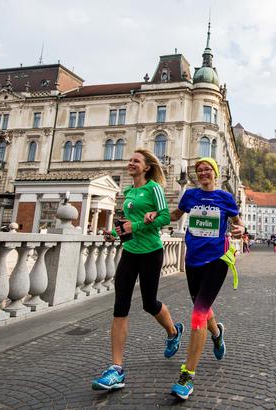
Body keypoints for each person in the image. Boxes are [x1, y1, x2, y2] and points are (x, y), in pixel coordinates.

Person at [91, 149, 183, 391]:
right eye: (130, 160)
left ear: (146, 167)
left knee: (149, 303)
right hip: (130, 251)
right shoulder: (129, 192)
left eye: (136, 161)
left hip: (151, 252)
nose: (130, 163)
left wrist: (142, 222)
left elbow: (165, 217)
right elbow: (128, 226)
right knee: (120, 307)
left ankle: (173, 331)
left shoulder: (154, 188)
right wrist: (114, 232)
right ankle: (116, 369)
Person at [161, 157, 244, 400]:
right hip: (192, 261)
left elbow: (239, 224)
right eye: (200, 170)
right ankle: (217, 333)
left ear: (215, 173)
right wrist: (155, 215)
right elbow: (175, 216)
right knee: (203, 309)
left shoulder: (225, 198)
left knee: (197, 315)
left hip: (216, 261)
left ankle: (187, 377)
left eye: (208, 169)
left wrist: (240, 229)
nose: (204, 172)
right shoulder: (190, 196)